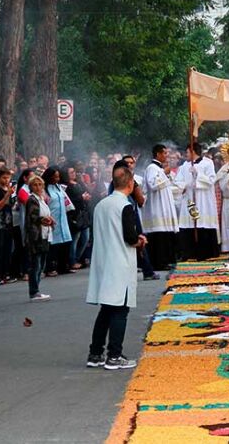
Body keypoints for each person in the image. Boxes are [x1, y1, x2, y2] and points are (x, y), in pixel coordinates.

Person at [86, 166, 146, 370]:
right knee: (120, 309)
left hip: (104, 260)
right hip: (119, 262)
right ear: (130, 184)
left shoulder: (101, 204)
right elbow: (129, 237)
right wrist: (139, 240)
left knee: (106, 309)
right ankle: (114, 354)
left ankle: (95, 353)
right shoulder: (125, 206)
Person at [175, 143, 220, 261]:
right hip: (190, 198)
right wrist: (183, 186)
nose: (186, 155)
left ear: (193, 152)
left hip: (203, 199)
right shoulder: (184, 166)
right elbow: (178, 181)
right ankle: (188, 253)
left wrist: (198, 174)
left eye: (187, 152)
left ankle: (205, 253)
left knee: (202, 224)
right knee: (188, 224)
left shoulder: (207, 163)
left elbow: (211, 180)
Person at [140, 144, 179, 271]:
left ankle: (166, 260)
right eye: (165, 153)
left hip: (164, 206)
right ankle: (159, 262)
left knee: (165, 234)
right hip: (157, 207)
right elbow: (152, 185)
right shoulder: (152, 168)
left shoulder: (159, 168)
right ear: (158, 154)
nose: (167, 156)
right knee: (159, 235)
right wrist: (164, 173)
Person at [25, 176, 53, 301]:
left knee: (41, 264)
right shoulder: (32, 200)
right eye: (35, 185)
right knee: (35, 264)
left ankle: (37, 289)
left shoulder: (41, 199)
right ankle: (34, 291)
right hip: (36, 235)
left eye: (40, 184)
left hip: (45, 233)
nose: (38, 187)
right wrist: (43, 220)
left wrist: (50, 220)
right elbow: (33, 216)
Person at [41, 167, 73, 276]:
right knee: (53, 245)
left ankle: (63, 266)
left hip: (62, 219)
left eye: (58, 176)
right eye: (55, 176)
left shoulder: (59, 188)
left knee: (65, 242)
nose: (57, 178)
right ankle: (50, 267)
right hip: (52, 219)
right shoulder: (44, 189)